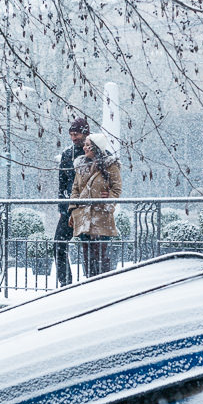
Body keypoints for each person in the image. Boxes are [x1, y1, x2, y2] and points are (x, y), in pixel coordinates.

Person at [68, 132, 122, 278]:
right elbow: (75, 189)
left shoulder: (110, 165)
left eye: (88, 145)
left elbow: (117, 189)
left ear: (96, 147)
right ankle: (90, 284)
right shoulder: (80, 165)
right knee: (87, 256)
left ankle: (103, 285)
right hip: (83, 216)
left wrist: (108, 199)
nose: (84, 148)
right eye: (85, 144)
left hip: (101, 216)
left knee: (101, 255)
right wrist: (73, 210)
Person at [54, 117, 89, 286]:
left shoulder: (96, 152)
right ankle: (65, 283)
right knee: (59, 244)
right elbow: (62, 183)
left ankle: (93, 282)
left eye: (76, 134)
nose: (74, 138)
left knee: (90, 247)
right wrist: (62, 209)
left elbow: (111, 176)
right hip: (70, 208)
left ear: (85, 133)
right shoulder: (68, 154)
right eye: (71, 134)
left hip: (89, 208)